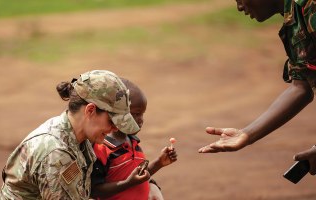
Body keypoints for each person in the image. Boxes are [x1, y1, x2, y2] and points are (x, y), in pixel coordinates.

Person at [198, 0, 316, 175]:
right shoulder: (295, 16)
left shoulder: (310, 5)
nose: (239, 7)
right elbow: (301, 87)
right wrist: (246, 134)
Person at [0, 70, 140, 200]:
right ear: (90, 110)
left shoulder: (78, 137)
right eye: (111, 121)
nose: (115, 129)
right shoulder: (56, 153)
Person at [90, 78, 178, 200]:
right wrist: (128, 183)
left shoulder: (133, 142)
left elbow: (137, 177)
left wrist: (159, 163)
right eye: (136, 114)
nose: (141, 119)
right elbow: (94, 191)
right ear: (117, 112)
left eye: (142, 114)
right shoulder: (102, 147)